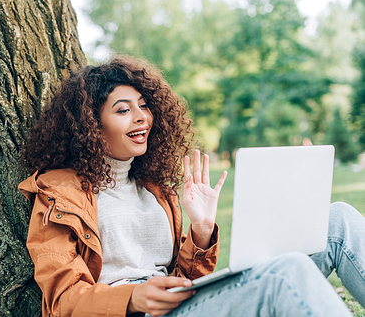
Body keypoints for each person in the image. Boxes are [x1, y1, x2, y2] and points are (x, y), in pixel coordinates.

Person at [19, 56, 365, 316]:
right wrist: (133, 298)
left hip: (179, 307)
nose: (142, 117)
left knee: (338, 221)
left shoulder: (153, 188)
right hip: (135, 311)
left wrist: (201, 233)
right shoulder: (58, 192)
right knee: (287, 271)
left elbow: (181, 280)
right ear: (90, 124)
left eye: (144, 106)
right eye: (123, 110)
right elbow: (62, 300)